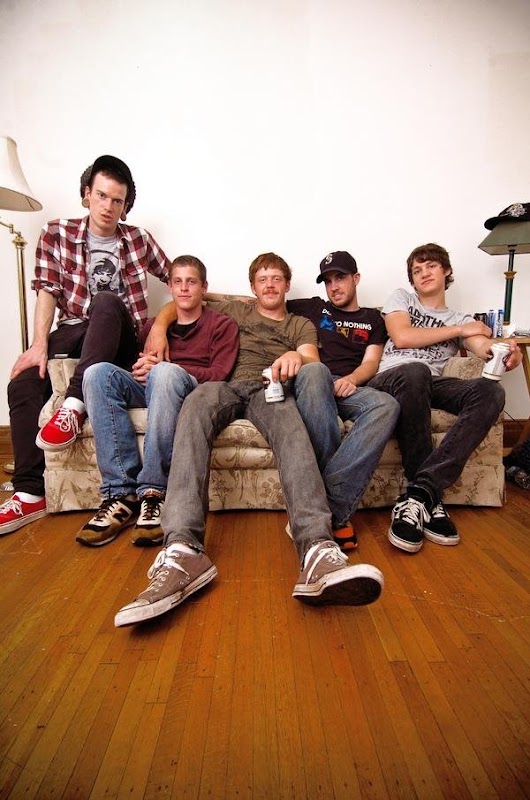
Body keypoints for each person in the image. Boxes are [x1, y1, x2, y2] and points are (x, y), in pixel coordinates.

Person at [114, 252, 384, 627]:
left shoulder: (301, 324)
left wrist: (294, 356)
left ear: (287, 285)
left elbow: (310, 358)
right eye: (262, 279)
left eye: (277, 278)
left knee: (292, 429)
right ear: (253, 287)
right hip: (223, 386)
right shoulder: (236, 309)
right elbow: (185, 299)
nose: (270, 285)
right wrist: (159, 326)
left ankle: (317, 549)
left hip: (270, 389)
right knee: (193, 409)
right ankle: (182, 550)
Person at [0, 155, 172, 536]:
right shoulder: (55, 233)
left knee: (107, 302)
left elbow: (179, 278)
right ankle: (30, 494)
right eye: (102, 196)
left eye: (117, 200)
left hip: (121, 335)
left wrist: (162, 323)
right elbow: (47, 290)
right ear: (86, 194)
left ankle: (73, 405)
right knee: (23, 382)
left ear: (125, 206)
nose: (108, 206)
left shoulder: (138, 239)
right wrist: (38, 345)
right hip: (75, 330)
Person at [368, 242, 522, 553]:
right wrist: (459, 329)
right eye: (417, 270)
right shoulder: (402, 299)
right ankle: (428, 499)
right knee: (415, 372)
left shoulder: (460, 317)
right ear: (412, 280)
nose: (424, 273)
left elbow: (481, 346)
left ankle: (421, 494)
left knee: (491, 391)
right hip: (391, 379)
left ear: (446, 270)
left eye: (431, 266)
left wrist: (504, 353)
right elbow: (402, 337)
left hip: (431, 383)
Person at [76, 255, 239, 548]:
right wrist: (141, 368)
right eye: (178, 282)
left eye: (191, 282)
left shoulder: (222, 324)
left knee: (164, 373)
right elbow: (142, 361)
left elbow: (219, 374)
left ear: (204, 288)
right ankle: (120, 493)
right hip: (152, 385)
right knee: (97, 373)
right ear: (170, 287)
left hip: (191, 390)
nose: (184, 288)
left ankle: (154, 492)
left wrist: (165, 367)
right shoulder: (153, 325)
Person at [288, 251, 400, 550]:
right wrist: (206, 299)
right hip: (314, 384)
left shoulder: (373, 319)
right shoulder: (315, 308)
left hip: (350, 386)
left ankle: (327, 507)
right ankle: (337, 520)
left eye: (340, 278)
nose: (334, 286)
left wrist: (352, 379)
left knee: (386, 405)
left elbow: (371, 362)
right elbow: (262, 301)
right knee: (316, 372)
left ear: (356, 278)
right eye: (328, 281)